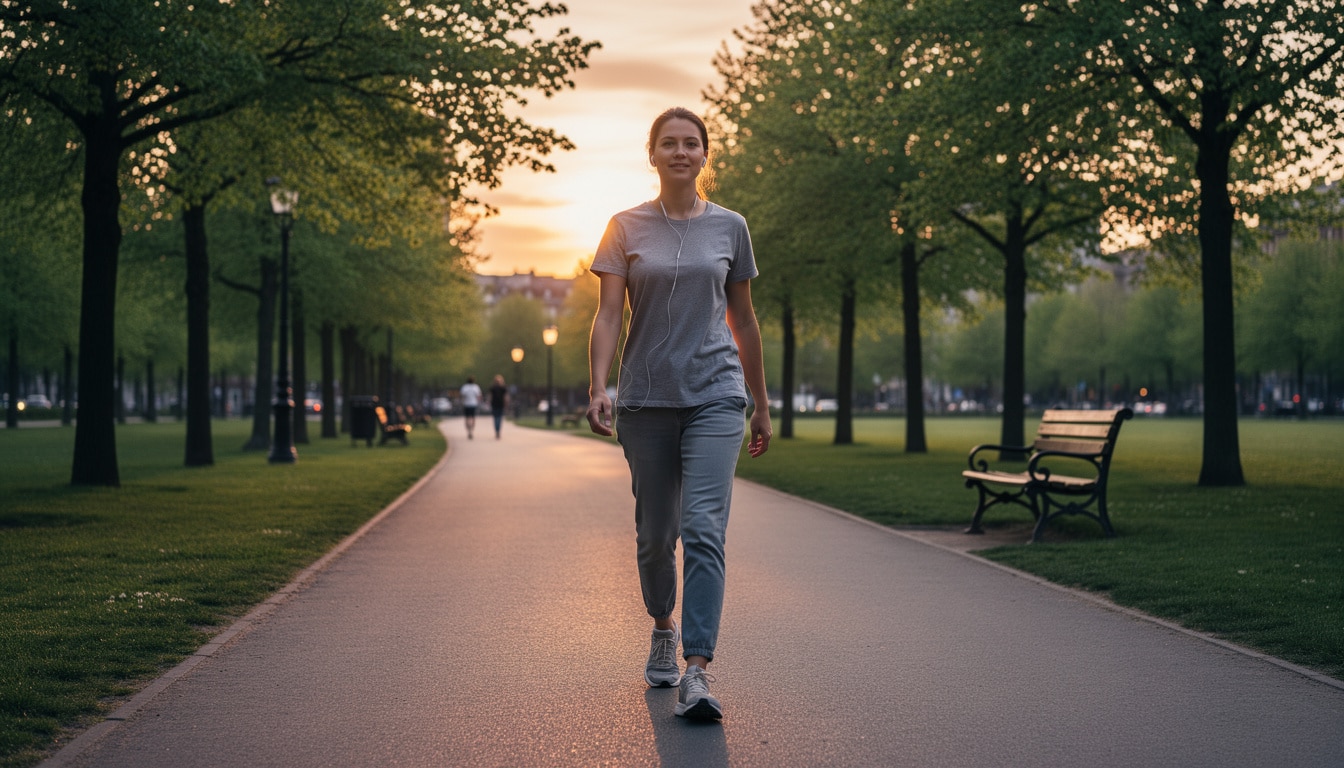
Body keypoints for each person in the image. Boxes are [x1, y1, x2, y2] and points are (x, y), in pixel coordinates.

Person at [587, 106, 771, 721]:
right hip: (645, 399)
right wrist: (598, 386)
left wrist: (761, 405)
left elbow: (743, 321)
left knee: (703, 528)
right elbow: (609, 313)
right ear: (653, 154)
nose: (681, 152)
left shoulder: (731, 228)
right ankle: (662, 626)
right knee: (654, 537)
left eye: (691, 143)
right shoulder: (624, 226)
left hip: (717, 395)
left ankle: (697, 668)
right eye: (669, 143)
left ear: (704, 154)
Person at [489, 374, 508, 439]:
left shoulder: (493, 388)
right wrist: (506, 404)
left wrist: (490, 403)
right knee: (499, 418)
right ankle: (498, 431)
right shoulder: (503, 388)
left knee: (495, 418)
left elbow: (490, 397)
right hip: (500, 404)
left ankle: (497, 431)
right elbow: (505, 397)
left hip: (494, 404)